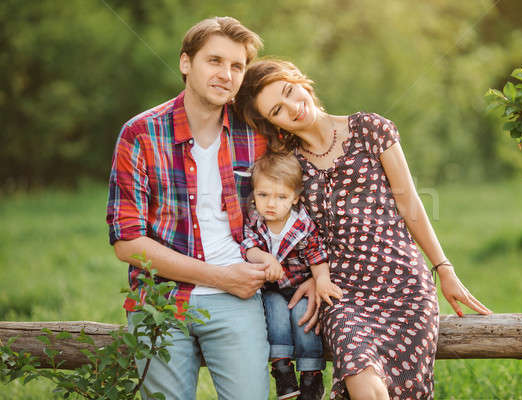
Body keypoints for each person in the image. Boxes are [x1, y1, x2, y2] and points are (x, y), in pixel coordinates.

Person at [235, 59, 493, 400]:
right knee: (360, 375)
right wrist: (316, 274)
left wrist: (443, 268)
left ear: (301, 83)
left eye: (289, 92)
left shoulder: (371, 128)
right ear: (272, 124)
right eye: (278, 110)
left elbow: (410, 204)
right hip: (343, 292)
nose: (293, 108)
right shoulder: (288, 164)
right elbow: (292, 230)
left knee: (407, 388)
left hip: (403, 283)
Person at [106, 18, 319, 400]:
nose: (226, 74)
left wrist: (319, 273)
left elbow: (315, 174)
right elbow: (128, 242)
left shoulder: (257, 131)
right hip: (159, 301)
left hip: (238, 301)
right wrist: (221, 277)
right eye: (214, 61)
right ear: (186, 63)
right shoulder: (141, 134)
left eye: (237, 66)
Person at [241, 152, 343, 400]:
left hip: (299, 285)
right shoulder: (255, 220)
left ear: (295, 198)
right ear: (254, 193)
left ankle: (311, 376)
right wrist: (265, 259)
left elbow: (317, 256)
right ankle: (282, 369)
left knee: (303, 319)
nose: (271, 204)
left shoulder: (302, 225)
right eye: (263, 195)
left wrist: (322, 280)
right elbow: (248, 247)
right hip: (271, 288)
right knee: (275, 315)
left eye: (281, 196)